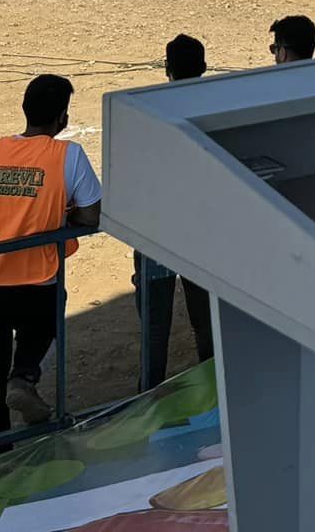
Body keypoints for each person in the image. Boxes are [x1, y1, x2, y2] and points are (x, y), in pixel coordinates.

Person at [0, 74, 103, 441]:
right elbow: (91, 215)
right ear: (62, 118)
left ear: (24, 109)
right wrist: (56, 215)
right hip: (36, 281)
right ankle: (24, 375)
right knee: (50, 312)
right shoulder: (68, 155)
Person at [136, 35, 216, 390]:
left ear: (167, 68)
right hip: (202, 234)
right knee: (207, 321)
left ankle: (147, 398)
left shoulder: (148, 111)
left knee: (155, 328)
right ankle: (217, 392)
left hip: (158, 232)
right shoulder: (216, 110)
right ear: (202, 67)